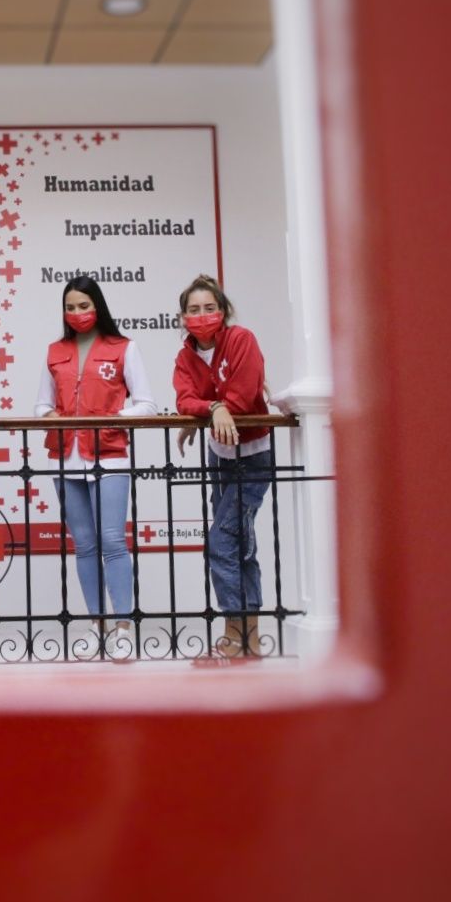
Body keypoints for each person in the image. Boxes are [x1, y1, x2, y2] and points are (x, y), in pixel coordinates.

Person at [34, 276, 156, 648]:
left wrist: (113, 416)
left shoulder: (124, 348)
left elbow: (148, 405)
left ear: (97, 307)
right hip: (64, 458)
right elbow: (41, 405)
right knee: (84, 544)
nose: (77, 313)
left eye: (83, 306)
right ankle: (95, 622)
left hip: (110, 456)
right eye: (70, 307)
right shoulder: (55, 351)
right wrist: (50, 417)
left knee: (112, 541)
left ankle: (123, 626)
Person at [172, 274, 273, 658]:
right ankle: (249, 635)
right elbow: (185, 399)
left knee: (222, 540)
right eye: (194, 310)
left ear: (224, 311)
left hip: (255, 455)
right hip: (220, 456)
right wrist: (212, 409)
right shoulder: (185, 356)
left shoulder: (242, 339)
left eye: (209, 308)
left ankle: (237, 631)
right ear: (183, 317)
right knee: (239, 542)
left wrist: (217, 405)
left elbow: (244, 396)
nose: (202, 316)